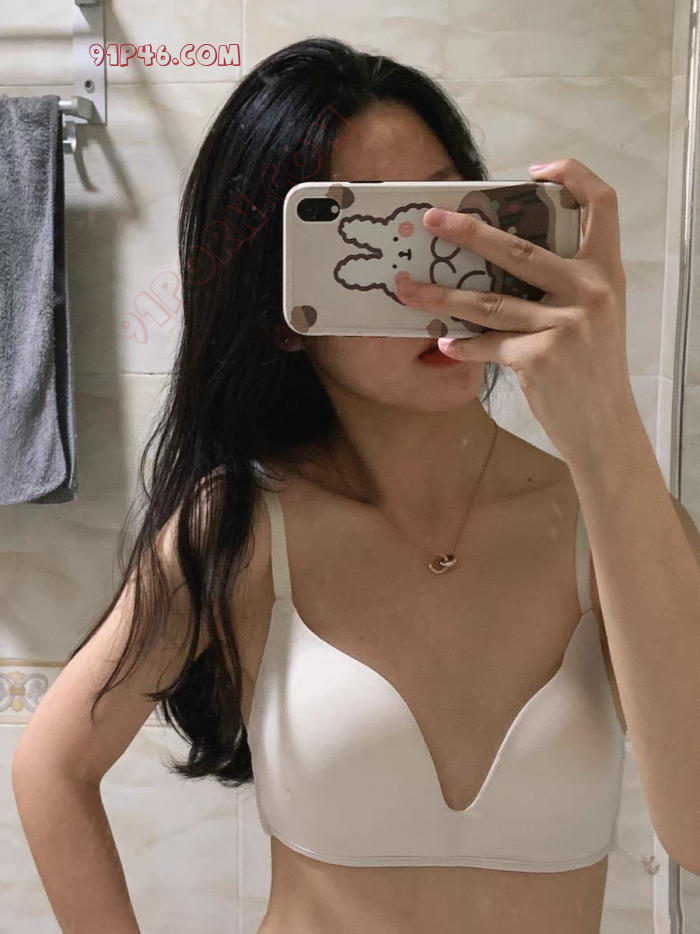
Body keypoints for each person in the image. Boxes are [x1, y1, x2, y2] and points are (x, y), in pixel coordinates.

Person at [16, 35, 700, 934]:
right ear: (282, 302)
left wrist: (604, 422)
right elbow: (51, 768)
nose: (428, 280)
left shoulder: (611, 520)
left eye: (446, 215)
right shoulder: (240, 528)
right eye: (366, 234)